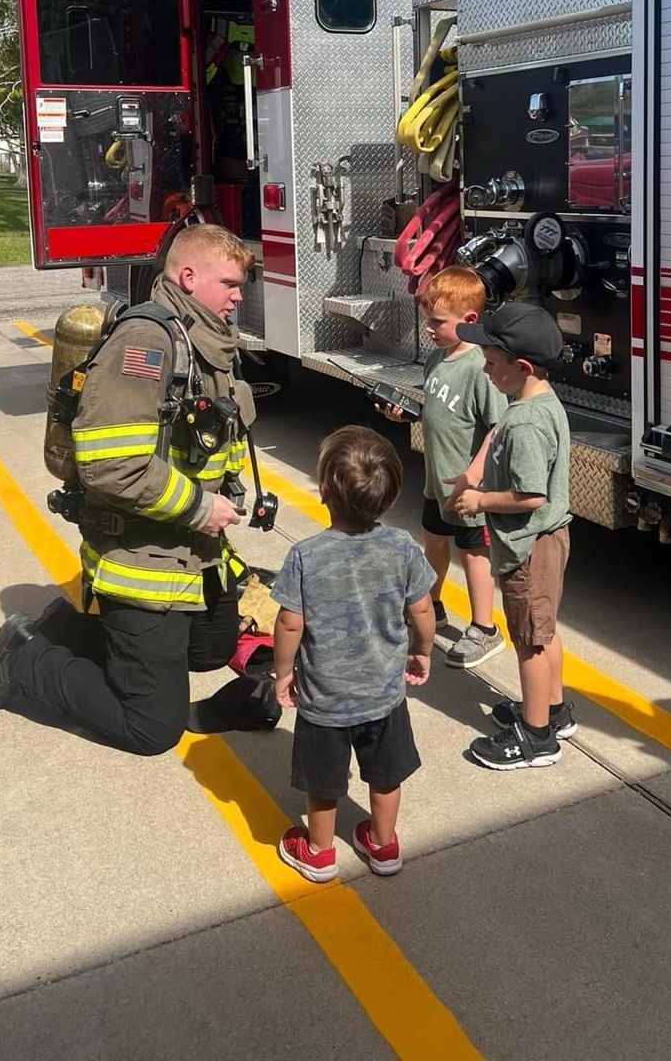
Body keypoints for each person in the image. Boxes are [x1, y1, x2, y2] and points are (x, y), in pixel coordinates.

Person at [0, 223, 264, 755]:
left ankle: (77, 630)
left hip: (195, 550)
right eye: (230, 283)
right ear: (189, 276)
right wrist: (200, 507)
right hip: (144, 555)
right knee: (152, 730)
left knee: (210, 650)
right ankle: (23, 659)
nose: (239, 295)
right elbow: (113, 466)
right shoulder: (147, 344)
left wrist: (229, 497)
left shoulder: (208, 341)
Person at [271, 426, 435, 881]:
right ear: (389, 494)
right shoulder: (401, 546)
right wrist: (422, 650)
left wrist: (282, 673)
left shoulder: (306, 556)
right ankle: (383, 845)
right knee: (385, 775)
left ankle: (319, 851)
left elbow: (289, 623)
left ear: (323, 491)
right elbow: (422, 609)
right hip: (384, 694)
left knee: (323, 783)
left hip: (325, 699)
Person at [447, 303, 577, 770]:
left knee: (529, 642)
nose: (483, 367)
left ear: (520, 368)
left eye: (490, 361)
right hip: (546, 542)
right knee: (543, 631)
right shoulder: (539, 402)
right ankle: (554, 709)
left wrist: (480, 501)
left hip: (530, 547)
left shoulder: (524, 423)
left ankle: (537, 737)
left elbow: (529, 497)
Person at [394, 266, 505, 668]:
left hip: (467, 486)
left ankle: (484, 629)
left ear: (470, 321)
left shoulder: (480, 368)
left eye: (437, 322)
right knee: (433, 540)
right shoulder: (437, 359)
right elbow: (436, 410)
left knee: (473, 553)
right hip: (436, 482)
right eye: (427, 320)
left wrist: (474, 474)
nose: (429, 329)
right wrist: (405, 414)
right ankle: (431, 605)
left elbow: (497, 426)